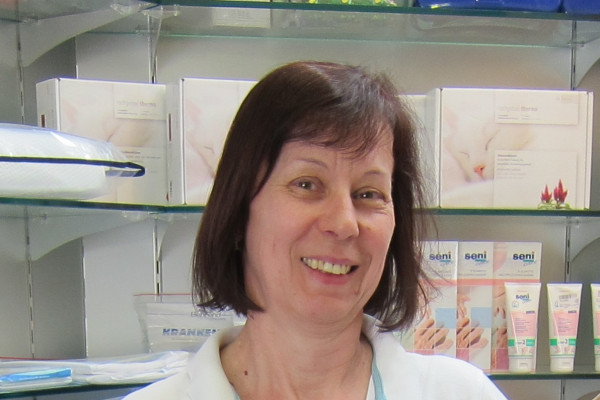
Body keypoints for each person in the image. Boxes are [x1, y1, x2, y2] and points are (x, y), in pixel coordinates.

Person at [124, 61, 508, 400]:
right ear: (238, 212)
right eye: (307, 184)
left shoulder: (462, 394)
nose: (343, 224)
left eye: (368, 194)